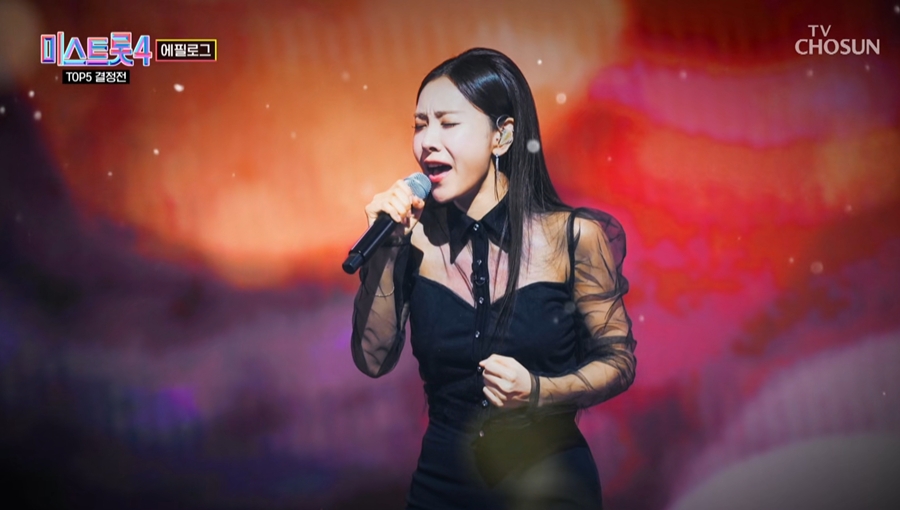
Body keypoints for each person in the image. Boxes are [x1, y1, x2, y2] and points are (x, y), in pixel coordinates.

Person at [350, 48, 637, 510]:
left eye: (448, 123)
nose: (427, 142)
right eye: (420, 125)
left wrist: (539, 391)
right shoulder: (411, 242)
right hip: (443, 489)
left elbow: (618, 361)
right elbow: (372, 359)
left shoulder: (572, 238)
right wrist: (385, 251)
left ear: (501, 136)